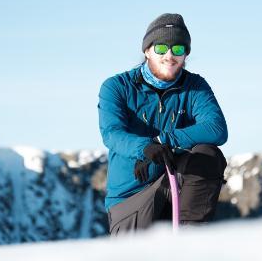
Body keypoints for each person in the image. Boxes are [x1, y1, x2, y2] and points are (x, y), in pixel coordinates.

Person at [97, 13, 228, 236]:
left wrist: (163, 141)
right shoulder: (117, 86)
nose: (169, 55)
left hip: (177, 184)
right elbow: (112, 134)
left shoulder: (194, 86)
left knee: (207, 155)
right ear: (147, 50)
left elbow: (216, 128)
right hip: (131, 196)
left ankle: (190, 244)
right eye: (160, 48)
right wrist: (145, 148)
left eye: (178, 49)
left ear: (186, 54)